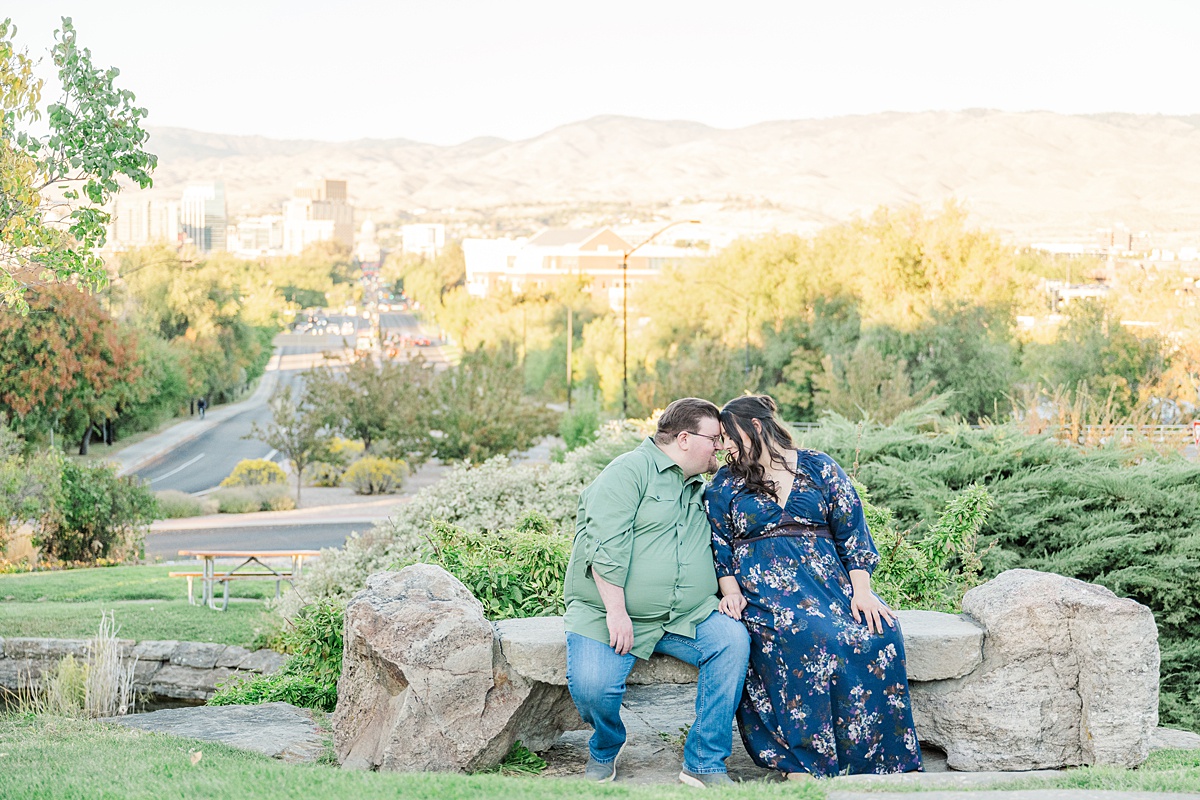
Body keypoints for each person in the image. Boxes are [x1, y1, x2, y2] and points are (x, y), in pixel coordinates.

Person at [703, 395, 922, 779]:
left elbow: (852, 530)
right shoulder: (726, 482)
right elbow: (719, 541)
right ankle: (801, 761)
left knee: (879, 632)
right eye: (719, 439)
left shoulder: (819, 467)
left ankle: (874, 760)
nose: (723, 445)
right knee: (806, 633)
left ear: (755, 427)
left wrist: (862, 592)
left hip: (828, 585)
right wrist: (731, 590)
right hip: (766, 593)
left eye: (728, 435)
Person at [563, 397, 751, 787]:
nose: (719, 445)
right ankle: (605, 745)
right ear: (684, 438)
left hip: (688, 614)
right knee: (593, 686)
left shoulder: (705, 485)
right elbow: (603, 548)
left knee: (732, 641)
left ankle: (704, 761)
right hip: (608, 613)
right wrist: (617, 612)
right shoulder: (628, 472)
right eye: (713, 437)